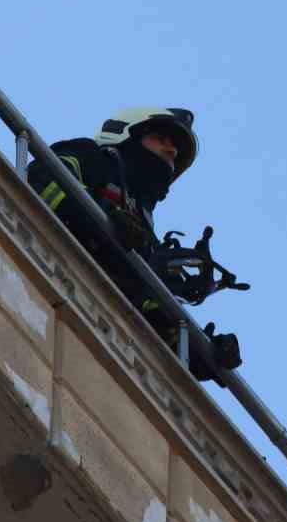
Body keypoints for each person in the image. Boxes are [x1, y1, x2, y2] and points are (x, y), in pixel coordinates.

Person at [28, 106, 242, 382]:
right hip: (45, 279)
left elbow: (150, 314)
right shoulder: (91, 156)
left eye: (175, 147)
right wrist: (104, 226)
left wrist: (204, 353)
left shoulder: (144, 229)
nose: (172, 151)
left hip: (90, 334)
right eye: (162, 138)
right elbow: (42, 181)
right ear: (126, 133)